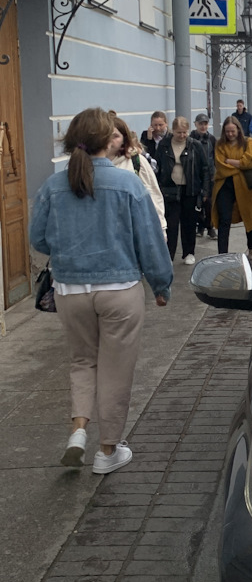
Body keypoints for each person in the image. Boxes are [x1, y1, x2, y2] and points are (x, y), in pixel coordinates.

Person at [29, 107, 173, 474]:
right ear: (106, 140)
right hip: (119, 289)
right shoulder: (127, 185)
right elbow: (150, 242)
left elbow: (39, 239)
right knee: (116, 369)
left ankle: (78, 430)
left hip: (70, 290)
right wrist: (161, 284)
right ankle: (107, 451)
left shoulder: (53, 185)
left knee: (82, 362)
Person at [155, 117, 210, 264]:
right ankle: (169, 255)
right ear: (173, 131)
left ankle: (189, 252)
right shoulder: (164, 145)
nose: (182, 135)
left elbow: (205, 168)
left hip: (190, 189)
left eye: (184, 132)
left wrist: (205, 190)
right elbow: (157, 167)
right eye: (179, 132)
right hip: (169, 189)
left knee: (189, 222)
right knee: (170, 224)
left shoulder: (195, 145)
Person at [212, 115, 252, 256]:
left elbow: (249, 162)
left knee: (250, 216)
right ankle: (222, 253)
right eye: (227, 131)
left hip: (245, 185)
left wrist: (230, 161)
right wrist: (240, 164)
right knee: (224, 219)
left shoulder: (248, 142)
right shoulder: (219, 144)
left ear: (238, 130)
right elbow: (220, 165)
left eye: (233, 131)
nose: (230, 134)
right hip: (224, 185)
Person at [109, 114, 166, 229]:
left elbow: (153, 193)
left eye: (115, 136)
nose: (110, 141)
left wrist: (161, 227)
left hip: (132, 225)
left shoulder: (136, 160)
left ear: (124, 139)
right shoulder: (92, 164)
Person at [190, 113, 216, 238]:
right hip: (195, 175)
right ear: (195, 124)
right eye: (200, 124)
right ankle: (199, 226)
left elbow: (215, 156)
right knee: (197, 202)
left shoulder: (211, 139)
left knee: (209, 203)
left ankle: (210, 226)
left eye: (205, 124)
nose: (203, 126)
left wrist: (214, 172)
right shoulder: (190, 139)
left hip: (210, 175)